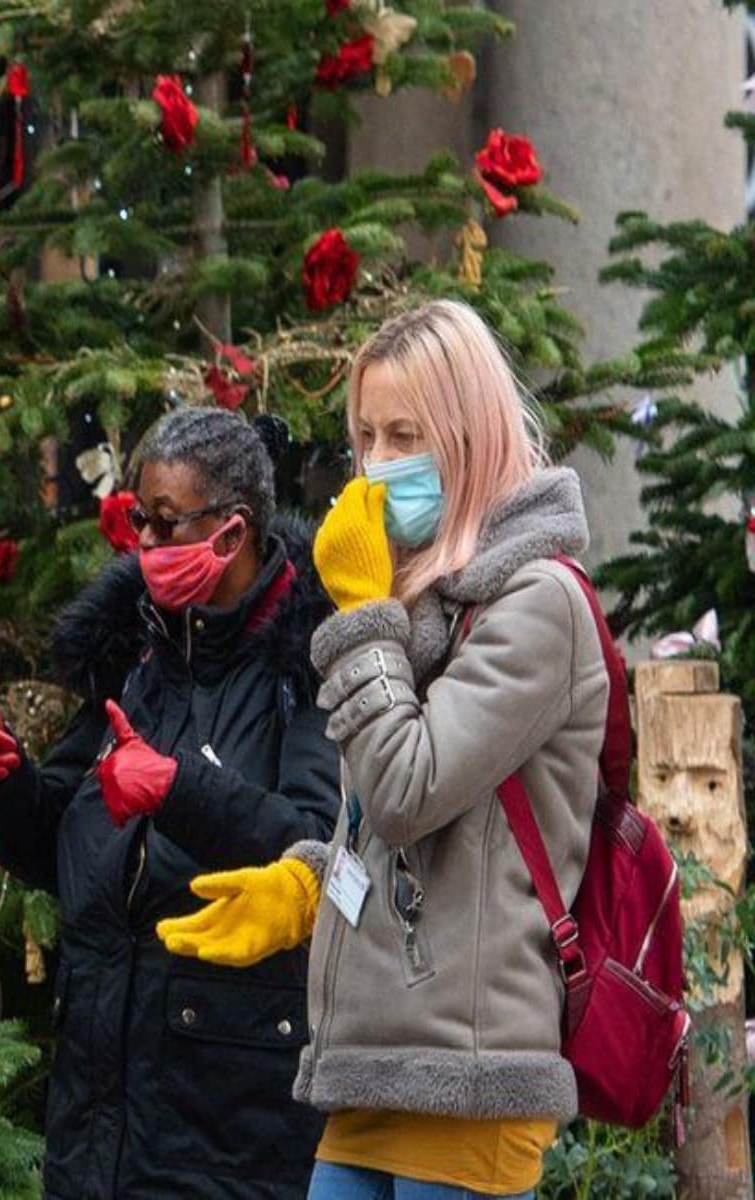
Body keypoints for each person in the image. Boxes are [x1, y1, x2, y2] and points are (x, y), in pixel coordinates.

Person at [158, 299, 605, 1199]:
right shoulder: (419, 602)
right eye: (367, 437)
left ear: (471, 436)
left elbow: (409, 788)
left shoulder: (539, 603)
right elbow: (396, 829)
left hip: (471, 1077)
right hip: (370, 1065)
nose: (380, 465)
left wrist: (363, 620)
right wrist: (309, 884)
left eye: (409, 434)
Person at [0, 406, 340, 1197]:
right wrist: (0, 788)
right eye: (137, 521)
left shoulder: (312, 663)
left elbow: (319, 850)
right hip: (97, 1122)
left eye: (163, 524)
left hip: (232, 1127)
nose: (144, 548)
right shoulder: (135, 652)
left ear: (231, 534)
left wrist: (178, 789)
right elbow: (67, 847)